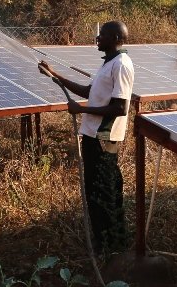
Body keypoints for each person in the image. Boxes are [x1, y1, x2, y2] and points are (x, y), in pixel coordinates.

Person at [38, 21, 135, 256]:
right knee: (96, 191)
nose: (98, 38)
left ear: (115, 38)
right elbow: (88, 92)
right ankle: (106, 244)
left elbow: (120, 108)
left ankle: (110, 247)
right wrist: (55, 74)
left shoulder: (121, 64)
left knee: (104, 192)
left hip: (104, 138)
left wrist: (81, 110)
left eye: (102, 35)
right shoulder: (109, 63)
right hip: (93, 137)